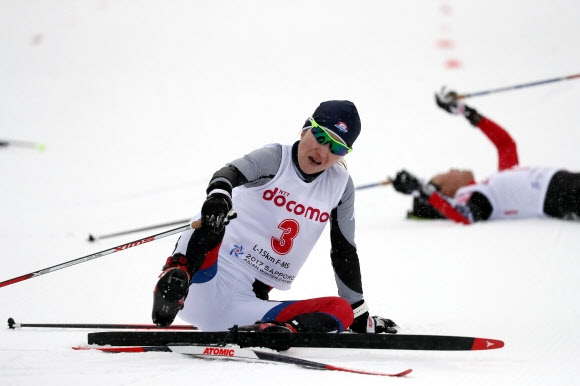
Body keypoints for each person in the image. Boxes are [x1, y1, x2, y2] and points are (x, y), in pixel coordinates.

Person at [151, 100, 398, 336]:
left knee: (341, 310)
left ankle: (283, 331)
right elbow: (229, 174)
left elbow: (344, 250)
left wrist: (357, 313)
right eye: (320, 137)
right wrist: (219, 195)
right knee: (215, 214)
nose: (323, 152)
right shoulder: (276, 158)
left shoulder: (340, 186)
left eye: (337, 147)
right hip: (203, 278)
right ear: (305, 129)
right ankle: (176, 277)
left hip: (247, 307)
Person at [391, 88, 580, 224]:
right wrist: (424, 192)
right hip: (558, 194)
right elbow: (465, 215)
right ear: (447, 191)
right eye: (445, 174)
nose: (451, 169)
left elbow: (505, 144)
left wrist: (468, 113)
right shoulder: (476, 196)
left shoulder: (495, 182)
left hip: (562, 184)